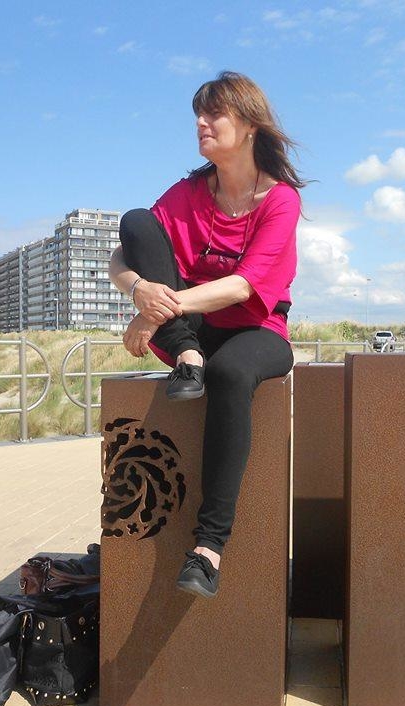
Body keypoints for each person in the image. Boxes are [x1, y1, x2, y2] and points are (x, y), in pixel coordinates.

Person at [109, 71, 303, 599]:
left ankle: (209, 548)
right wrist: (139, 293)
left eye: (214, 113)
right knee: (136, 220)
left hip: (257, 328)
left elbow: (243, 286)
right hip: (189, 330)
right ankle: (187, 354)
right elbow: (124, 252)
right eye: (198, 113)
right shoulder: (190, 191)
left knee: (232, 373)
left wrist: (154, 314)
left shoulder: (280, 200)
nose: (201, 122)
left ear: (250, 124)